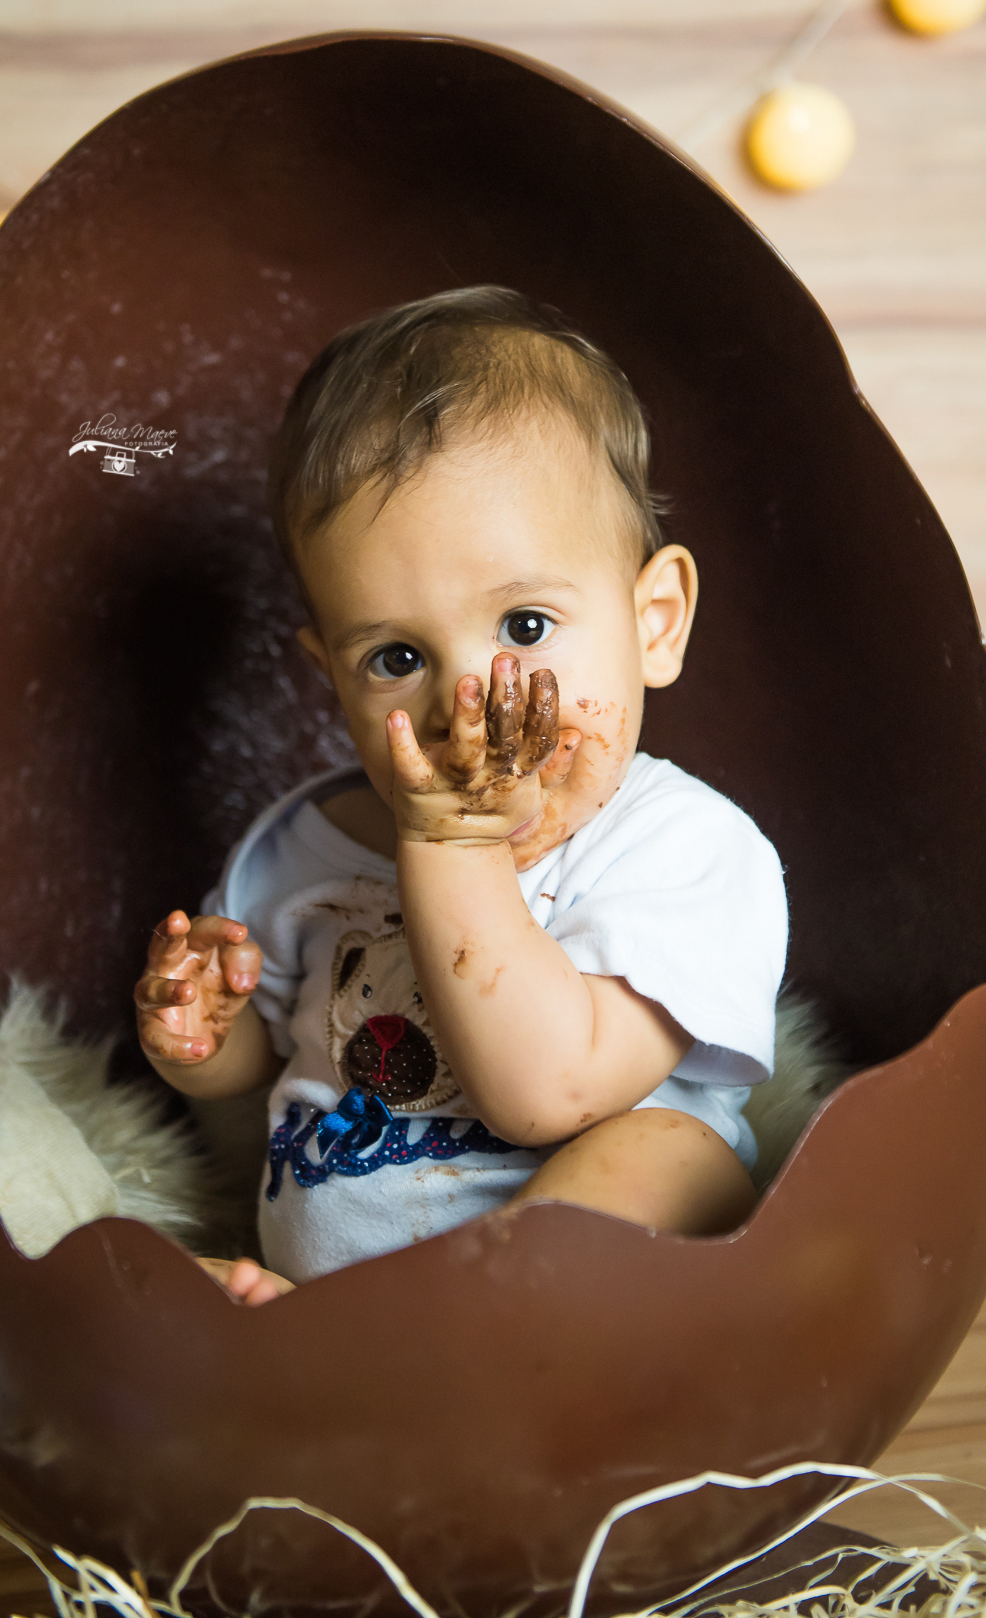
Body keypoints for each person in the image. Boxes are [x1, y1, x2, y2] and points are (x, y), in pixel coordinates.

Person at [134, 287, 787, 1306]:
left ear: (652, 622)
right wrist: (209, 1050)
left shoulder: (686, 850)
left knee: (673, 1154)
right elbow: (258, 1119)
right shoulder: (297, 852)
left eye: (525, 627)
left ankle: (442, 1355)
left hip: (570, 1301)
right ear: (333, 680)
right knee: (107, 1293)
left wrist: (448, 842)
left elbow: (545, 1094)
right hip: (339, 1287)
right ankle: (317, 1355)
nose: (464, 703)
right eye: (396, 655)